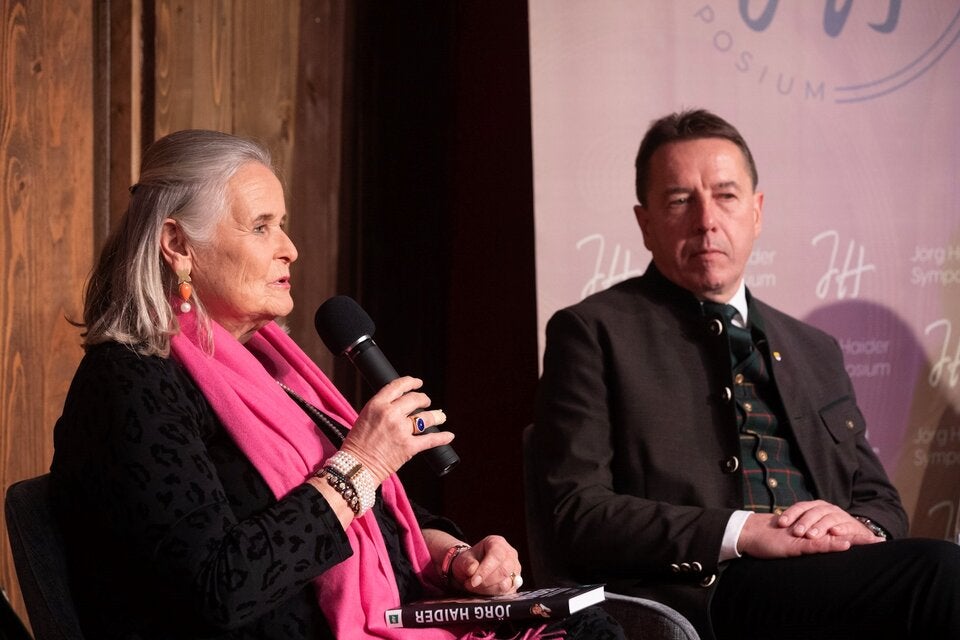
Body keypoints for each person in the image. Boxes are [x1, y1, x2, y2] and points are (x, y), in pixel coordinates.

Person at [51, 129, 623, 640]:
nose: (289, 248)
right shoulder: (128, 383)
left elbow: (371, 519)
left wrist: (456, 559)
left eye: (283, 223)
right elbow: (220, 588)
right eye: (260, 227)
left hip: (387, 616)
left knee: (589, 624)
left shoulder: (268, 370)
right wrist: (363, 463)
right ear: (177, 244)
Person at [532, 109, 960, 639]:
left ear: (756, 212)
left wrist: (859, 525)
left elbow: (880, 501)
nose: (706, 220)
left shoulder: (813, 349)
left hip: (836, 575)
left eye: (726, 196)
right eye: (680, 200)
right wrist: (743, 531)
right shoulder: (594, 332)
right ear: (645, 224)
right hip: (711, 592)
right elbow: (578, 514)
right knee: (943, 575)